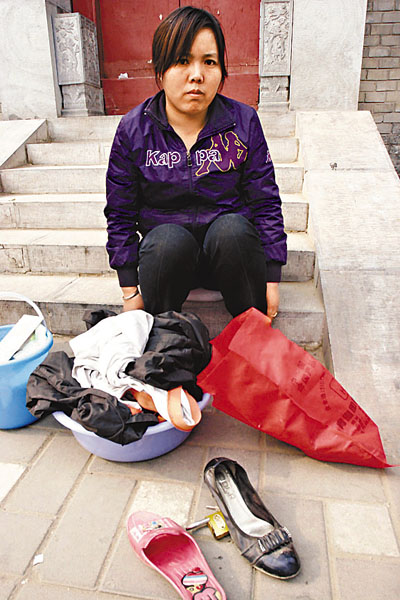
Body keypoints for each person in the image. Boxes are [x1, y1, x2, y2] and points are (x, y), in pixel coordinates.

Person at [105, 5, 287, 322]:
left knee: (232, 230)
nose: (197, 75)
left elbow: (265, 202)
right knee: (166, 241)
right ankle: (165, 334)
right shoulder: (134, 130)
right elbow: (120, 213)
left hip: (230, 259)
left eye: (209, 62)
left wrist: (271, 278)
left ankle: (251, 330)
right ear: (161, 70)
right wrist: (130, 291)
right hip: (170, 264)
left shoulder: (243, 122)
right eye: (182, 61)